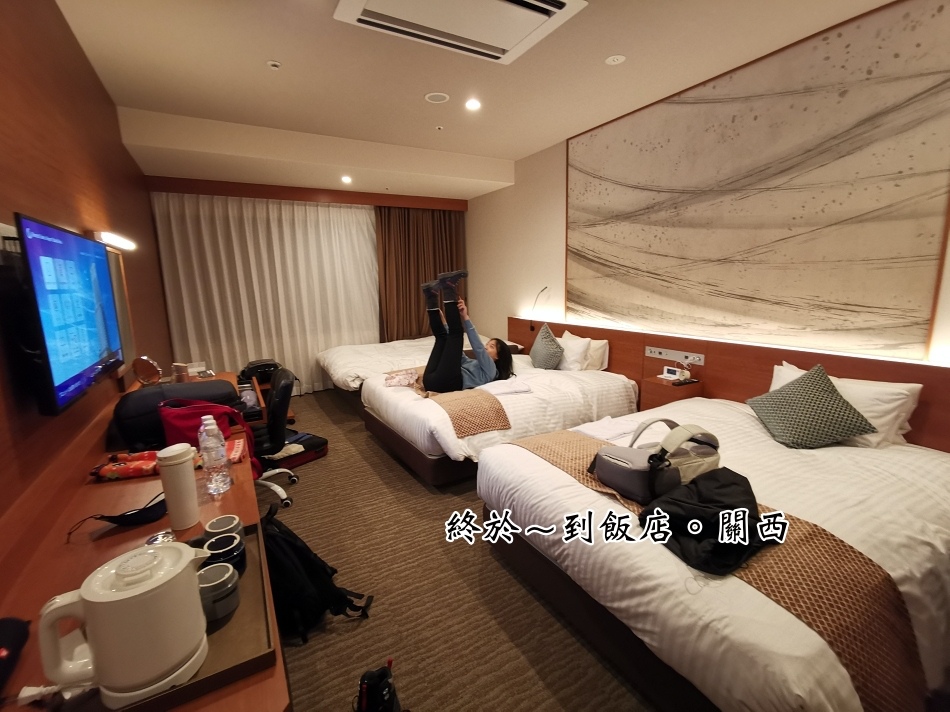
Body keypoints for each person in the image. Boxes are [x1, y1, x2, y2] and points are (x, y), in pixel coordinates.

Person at [421, 270, 513, 393]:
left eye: (491, 346)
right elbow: (456, 353)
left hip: (446, 383)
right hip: (429, 381)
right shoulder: (473, 363)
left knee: (457, 333)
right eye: (487, 344)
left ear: (498, 356)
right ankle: (431, 295)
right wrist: (444, 322)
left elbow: (478, 348)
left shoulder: (491, 370)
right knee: (442, 337)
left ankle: (449, 286)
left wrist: (465, 317)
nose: (485, 347)